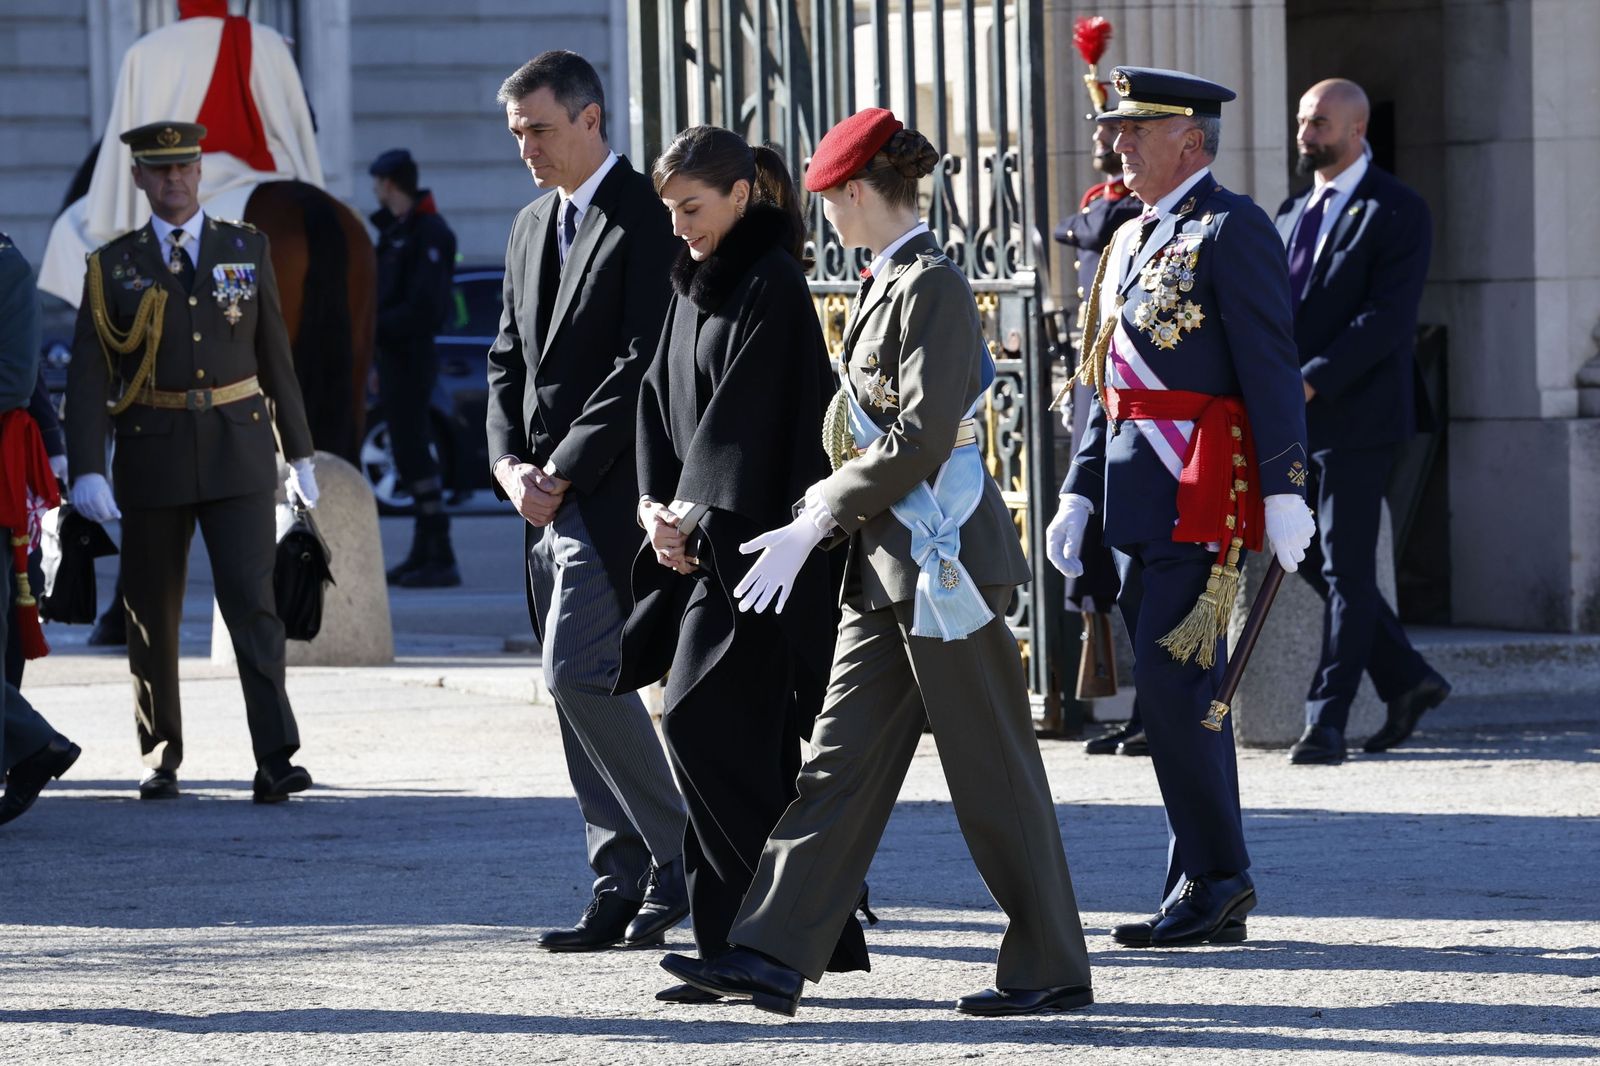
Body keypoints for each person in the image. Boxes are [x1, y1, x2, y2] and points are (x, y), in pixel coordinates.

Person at [661, 108, 1093, 1018]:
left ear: (857, 191)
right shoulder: (887, 283)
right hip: (888, 565)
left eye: (830, 200)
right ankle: (772, 952)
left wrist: (818, 512)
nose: (824, 216)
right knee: (837, 766)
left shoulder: (930, 282)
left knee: (992, 772)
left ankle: (1050, 961)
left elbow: (924, 433)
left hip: (944, 566)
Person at [1045, 67, 1317, 948]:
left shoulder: (1232, 229)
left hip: (1201, 491)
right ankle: (1203, 880)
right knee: (1176, 694)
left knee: (1173, 691)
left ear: (1190, 141)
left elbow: (1270, 366)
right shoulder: (1132, 236)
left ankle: (1218, 877)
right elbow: (1109, 385)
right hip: (1134, 494)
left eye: (1135, 131)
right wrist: (1080, 491)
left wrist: (1285, 487)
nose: (1116, 144)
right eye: (1117, 130)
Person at [619, 124, 871, 1003]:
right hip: (705, 549)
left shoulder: (773, 282)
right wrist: (657, 505)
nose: (680, 225)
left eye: (692, 208)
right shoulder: (695, 281)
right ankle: (749, 941)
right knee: (722, 740)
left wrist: (689, 509)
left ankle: (775, 935)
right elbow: (658, 399)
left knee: (707, 727)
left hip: (766, 555)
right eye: (671, 211)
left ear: (739, 196)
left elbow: (751, 418)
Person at [485, 51, 689, 952]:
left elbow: (640, 358)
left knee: (578, 674)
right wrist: (506, 466)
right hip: (538, 498)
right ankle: (619, 877)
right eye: (517, 133)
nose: (526, 148)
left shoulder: (646, 216)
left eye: (539, 128)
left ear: (590, 119)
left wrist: (559, 467)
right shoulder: (532, 222)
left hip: (611, 495)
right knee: (575, 694)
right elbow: (505, 363)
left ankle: (685, 856)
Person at [64, 122, 318, 804]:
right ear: (140, 179)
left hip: (238, 450)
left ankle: (275, 755)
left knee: (254, 608)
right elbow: (89, 378)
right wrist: (87, 468)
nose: (174, 180)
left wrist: (299, 454)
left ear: (200, 171)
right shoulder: (112, 265)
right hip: (153, 453)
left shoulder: (245, 246)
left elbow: (276, 362)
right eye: (159, 170)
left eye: (185, 168)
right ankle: (160, 753)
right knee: (151, 614)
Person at [1275, 78, 1450, 765]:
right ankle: (1407, 679)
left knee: (1346, 568)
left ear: (1356, 128)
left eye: (1318, 122)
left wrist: (1313, 377)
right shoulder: (1291, 212)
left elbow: (1386, 319)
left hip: (1361, 415)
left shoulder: (1397, 209)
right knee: (1310, 560)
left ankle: (1327, 721)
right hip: (1295, 418)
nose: (1306, 133)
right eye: (1302, 121)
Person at [38, 0, 323, 306]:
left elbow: (122, 145)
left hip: (182, 179)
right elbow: (301, 131)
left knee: (70, 227)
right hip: (273, 174)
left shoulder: (146, 51)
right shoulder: (270, 43)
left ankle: (126, 328)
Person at [1054, 71, 1147, 759]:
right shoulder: (1102, 204)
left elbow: (1087, 230)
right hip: (1095, 393)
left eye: (1110, 131)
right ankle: (1134, 706)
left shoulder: (1119, 214)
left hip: (1140, 410)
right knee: (1103, 563)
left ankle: (1150, 707)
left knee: (1135, 559)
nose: (1099, 141)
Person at [0, 232, 78, 826]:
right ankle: (30, 744)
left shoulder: (6, 265)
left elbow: (14, 379)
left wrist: (56, 450)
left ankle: (31, 743)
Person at [369, 148, 461, 588]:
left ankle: (439, 554)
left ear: (389, 183)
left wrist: (373, 327)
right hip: (391, 357)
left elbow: (424, 308)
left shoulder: (429, 231)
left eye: (377, 183)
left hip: (412, 356)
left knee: (413, 451)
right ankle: (426, 550)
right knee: (406, 454)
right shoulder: (396, 232)